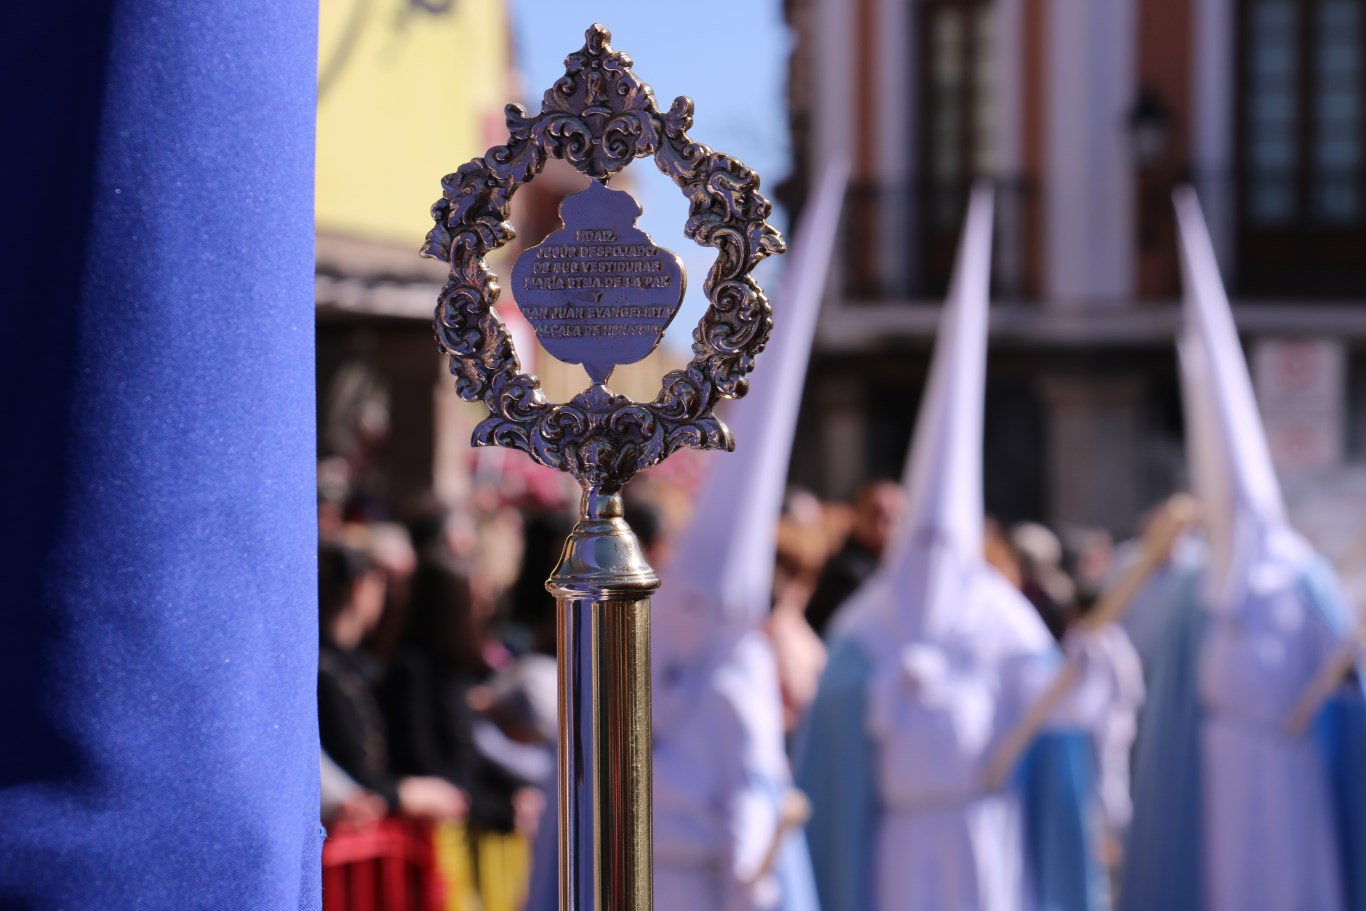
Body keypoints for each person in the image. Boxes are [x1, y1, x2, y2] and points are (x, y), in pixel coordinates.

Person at [795, 187, 1106, 911]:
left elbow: (1053, 720)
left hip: (983, 833)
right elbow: (835, 737)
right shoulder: (867, 625)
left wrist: (1079, 679)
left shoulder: (1002, 616)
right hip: (897, 844)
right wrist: (885, 695)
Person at [1121, 191, 1366, 911]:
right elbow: (1150, 665)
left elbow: (1346, 673)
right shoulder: (1196, 586)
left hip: (1290, 765)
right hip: (1215, 768)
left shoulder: (1303, 577)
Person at [317, 539, 467, 822]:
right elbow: (354, 770)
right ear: (359, 589)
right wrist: (408, 793)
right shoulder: (325, 671)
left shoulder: (354, 663)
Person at [804, 479, 902, 636]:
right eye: (876, 515)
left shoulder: (888, 565)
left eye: (894, 517)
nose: (884, 526)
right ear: (857, 514)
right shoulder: (849, 572)